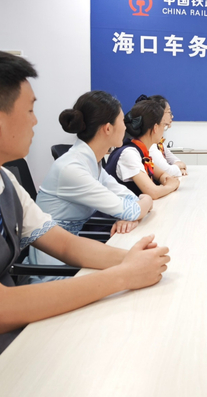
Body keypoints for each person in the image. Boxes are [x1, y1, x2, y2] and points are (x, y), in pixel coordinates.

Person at [0, 48, 170, 377]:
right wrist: (124, 274)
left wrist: (134, 260)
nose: (35, 121)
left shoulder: (3, 179)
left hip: (17, 331)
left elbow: (65, 244)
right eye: (29, 110)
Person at [27, 91, 155, 282]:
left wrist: (131, 211)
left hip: (74, 256)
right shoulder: (73, 169)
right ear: (108, 128)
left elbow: (130, 201)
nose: (126, 126)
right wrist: (146, 200)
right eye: (122, 120)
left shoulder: (91, 163)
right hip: (54, 270)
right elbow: (133, 209)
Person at [105, 100, 180, 199]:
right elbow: (153, 192)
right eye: (163, 126)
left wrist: (166, 180)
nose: (163, 130)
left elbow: (161, 174)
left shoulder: (141, 151)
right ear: (155, 128)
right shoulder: (129, 154)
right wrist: (171, 185)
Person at [140, 95, 187, 178]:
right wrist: (178, 168)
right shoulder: (149, 144)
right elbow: (168, 171)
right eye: (169, 112)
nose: (172, 116)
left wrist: (178, 167)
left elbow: (176, 161)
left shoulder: (159, 142)